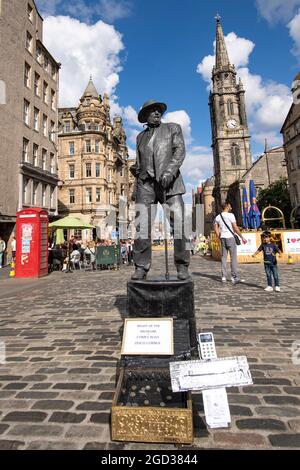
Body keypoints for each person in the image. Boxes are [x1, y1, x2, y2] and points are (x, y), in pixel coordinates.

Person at [131, 99, 190, 280]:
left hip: (170, 184)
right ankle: (141, 266)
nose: (157, 113)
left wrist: (170, 171)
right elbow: (140, 161)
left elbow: (179, 151)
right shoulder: (140, 137)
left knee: (179, 225)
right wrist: (136, 170)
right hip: (145, 185)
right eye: (152, 110)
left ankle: (182, 265)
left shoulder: (173, 128)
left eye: (159, 110)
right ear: (145, 116)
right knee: (142, 227)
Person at [214, 202, 247, 284]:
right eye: (230, 206)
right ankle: (234, 277)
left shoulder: (218, 217)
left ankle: (223, 276)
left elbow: (215, 228)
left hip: (223, 238)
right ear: (227, 206)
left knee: (223, 258)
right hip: (230, 238)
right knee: (233, 258)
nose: (231, 207)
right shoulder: (231, 215)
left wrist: (219, 236)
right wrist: (242, 237)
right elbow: (235, 228)